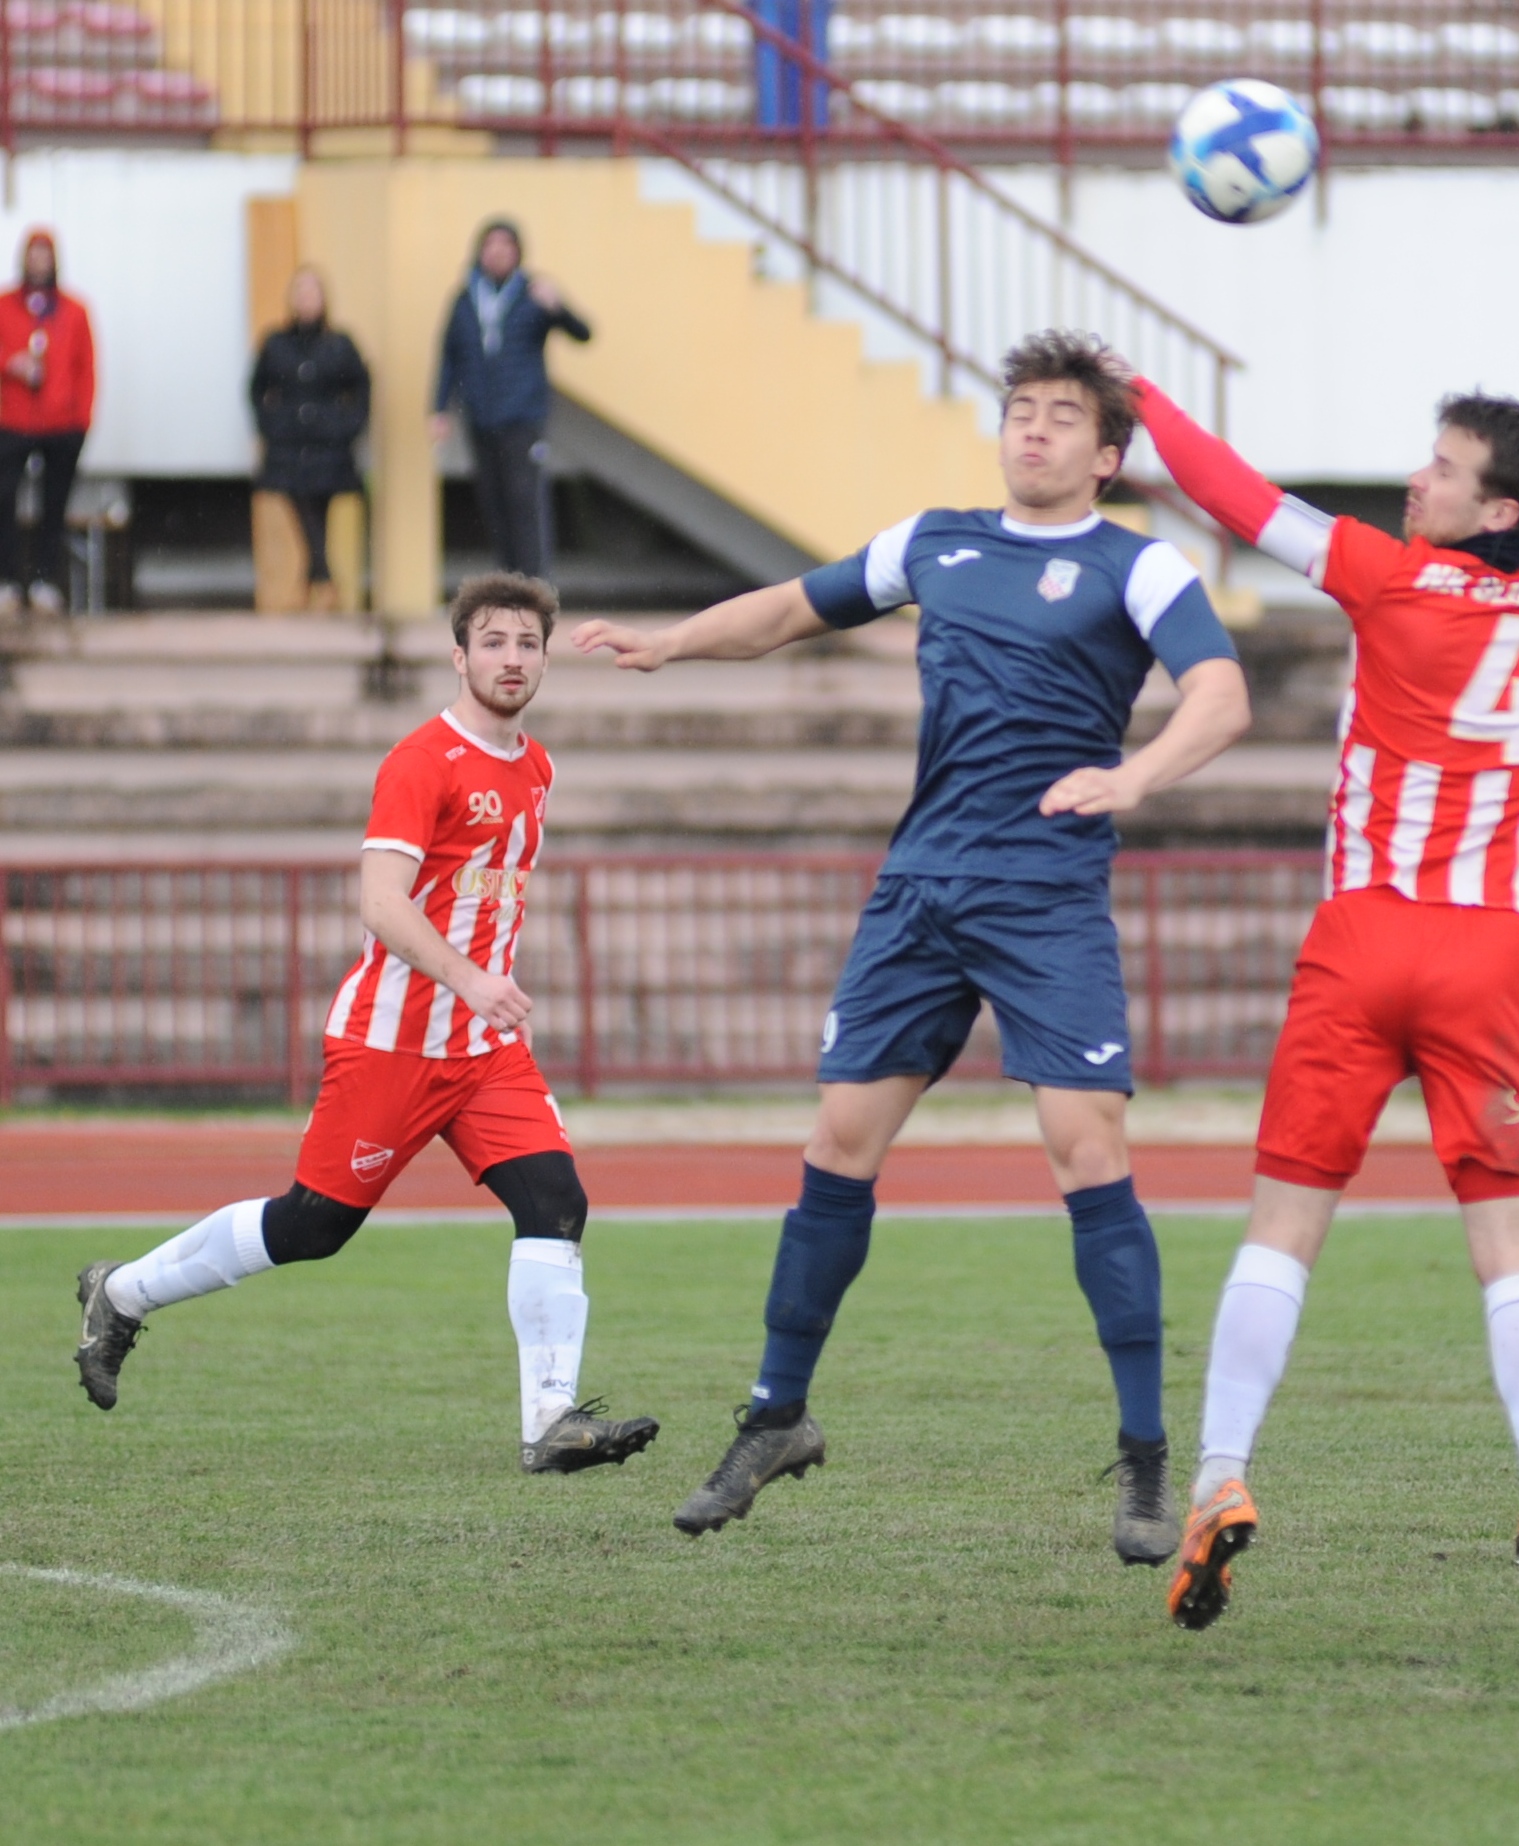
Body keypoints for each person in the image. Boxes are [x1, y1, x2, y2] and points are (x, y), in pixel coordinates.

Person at [568, 331, 1250, 1561]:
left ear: (1106, 455)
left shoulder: (1136, 565)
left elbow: (1221, 692)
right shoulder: (934, 541)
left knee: (1087, 1151)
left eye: (1061, 416)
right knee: (838, 1140)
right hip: (919, 892)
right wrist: (670, 641)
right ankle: (775, 1417)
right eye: (1020, 409)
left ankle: (1148, 1459)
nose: (1032, 428)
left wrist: (1135, 775)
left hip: (1044, 897)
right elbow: (791, 608)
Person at [1128, 372, 1519, 1657]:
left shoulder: (1386, 578)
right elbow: (1512, 587)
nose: (1414, 480)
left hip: (1362, 934)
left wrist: (1140, 398)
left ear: (1493, 507)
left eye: (1440, 469)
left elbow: (1233, 498)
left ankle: (1219, 1474)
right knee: (1513, 1245)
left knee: (1282, 1228)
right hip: (1491, 953)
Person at [73, 572, 661, 1477]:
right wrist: (471, 979)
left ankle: (550, 1421)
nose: (511, 659)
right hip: (392, 1043)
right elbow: (382, 903)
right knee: (312, 1227)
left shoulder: (537, 768)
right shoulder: (421, 761)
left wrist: (483, 995)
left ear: (546, 659)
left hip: (484, 1050)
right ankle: (120, 1293)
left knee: (556, 1202)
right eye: (493, 642)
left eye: (527, 644)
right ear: (459, 656)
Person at [431, 220, 590, 579]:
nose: (498, 253)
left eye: (506, 245)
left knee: (525, 502)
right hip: (481, 417)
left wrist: (558, 308)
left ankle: (534, 585)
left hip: (522, 418)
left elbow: (583, 334)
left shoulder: (532, 294)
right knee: (494, 505)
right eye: (491, 245)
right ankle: (508, 583)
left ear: (517, 252)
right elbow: (449, 355)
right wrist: (439, 408)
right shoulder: (465, 299)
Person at [252, 266, 371, 614]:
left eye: (312, 293)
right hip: (288, 445)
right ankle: (323, 579)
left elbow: (361, 386)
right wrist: (271, 424)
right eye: (301, 293)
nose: (307, 300)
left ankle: (313, 581)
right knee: (302, 507)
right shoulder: (275, 343)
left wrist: (348, 425)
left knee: (318, 511)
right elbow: (256, 388)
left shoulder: (340, 345)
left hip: (328, 445)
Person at [0, 227, 95, 616]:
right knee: (4, 500)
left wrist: (81, 420)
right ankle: (8, 581)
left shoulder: (74, 311)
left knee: (53, 505)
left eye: (45, 256)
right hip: (12, 419)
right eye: (33, 255)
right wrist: (10, 364)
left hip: (61, 424)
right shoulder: (5, 306)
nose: (39, 263)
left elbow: (86, 368)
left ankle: (43, 581)